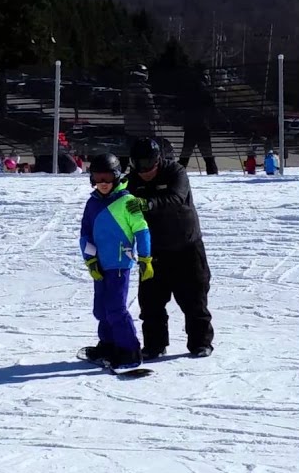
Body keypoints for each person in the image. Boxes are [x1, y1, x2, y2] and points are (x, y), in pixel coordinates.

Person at [121, 137, 214, 359]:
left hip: (186, 246)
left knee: (194, 300)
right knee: (150, 304)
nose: (145, 171)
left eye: (149, 165)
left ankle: (201, 343)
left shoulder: (176, 172)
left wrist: (148, 203)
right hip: (153, 251)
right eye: (139, 166)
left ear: (158, 160)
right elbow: (117, 196)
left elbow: (176, 198)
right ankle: (154, 345)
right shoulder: (132, 179)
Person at [79, 154, 152, 370]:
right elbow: (85, 235)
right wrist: (90, 260)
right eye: (98, 177)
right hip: (100, 264)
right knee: (101, 309)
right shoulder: (92, 204)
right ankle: (108, 345)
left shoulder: (127, 202)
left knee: (115, 308)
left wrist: (145, 258)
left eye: (107, 177)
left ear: (117, 176)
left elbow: (142, 230)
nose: (102, 183)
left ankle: (129, 351)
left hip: (120, 263)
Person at [177, 69, 219, 175]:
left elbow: (181, 107)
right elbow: (213, 109)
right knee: (208, 156)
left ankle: (177, 173)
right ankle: (213, 174)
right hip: (202, 127)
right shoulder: (206, 93)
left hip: (190, 127)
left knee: (185, 156)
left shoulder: (190, 92)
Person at [119, 64, 159, 171]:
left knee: (130, 152)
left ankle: (123, 170)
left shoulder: (125, 91)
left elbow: (122, 109)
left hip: (129, 128)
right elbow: (151, 110)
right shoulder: (145, 91)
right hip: (145, 129)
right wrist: (158, 116)